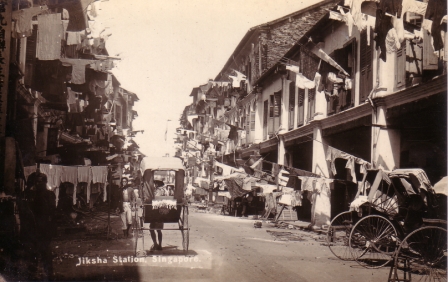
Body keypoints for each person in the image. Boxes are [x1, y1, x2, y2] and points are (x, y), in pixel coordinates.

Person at [149, 182, 166, 251]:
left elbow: (156, 199)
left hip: (157, 211)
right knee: (158, 230)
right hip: (161, 211)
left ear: (157, 185)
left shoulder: (159, 191)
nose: (155, 185)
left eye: (155, 184)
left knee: (152, 229)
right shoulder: (164, 190)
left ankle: (156, 243)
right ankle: (159, 244)